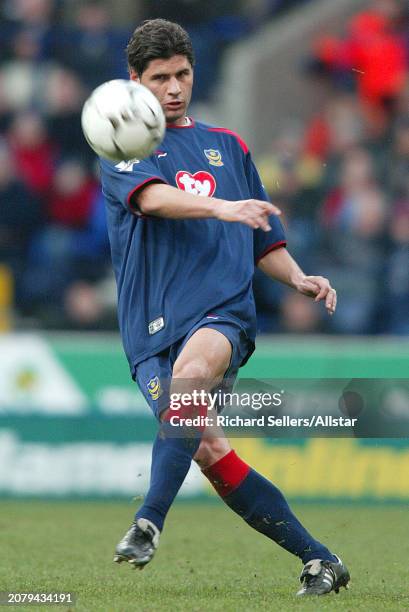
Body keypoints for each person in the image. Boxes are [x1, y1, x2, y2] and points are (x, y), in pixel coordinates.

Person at [99, 19, 349, 597]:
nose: (173, 88)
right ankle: (321, 560)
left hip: (221, 313)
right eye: (159, 78)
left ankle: (147, 523)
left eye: (182, 74)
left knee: (190, 378)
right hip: (147, 330)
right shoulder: (123, 143)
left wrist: (299, 277)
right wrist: (221, 209)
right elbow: (154, 199)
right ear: (134, 80)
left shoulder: (229, 146)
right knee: (209, 448)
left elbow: (267, 239)